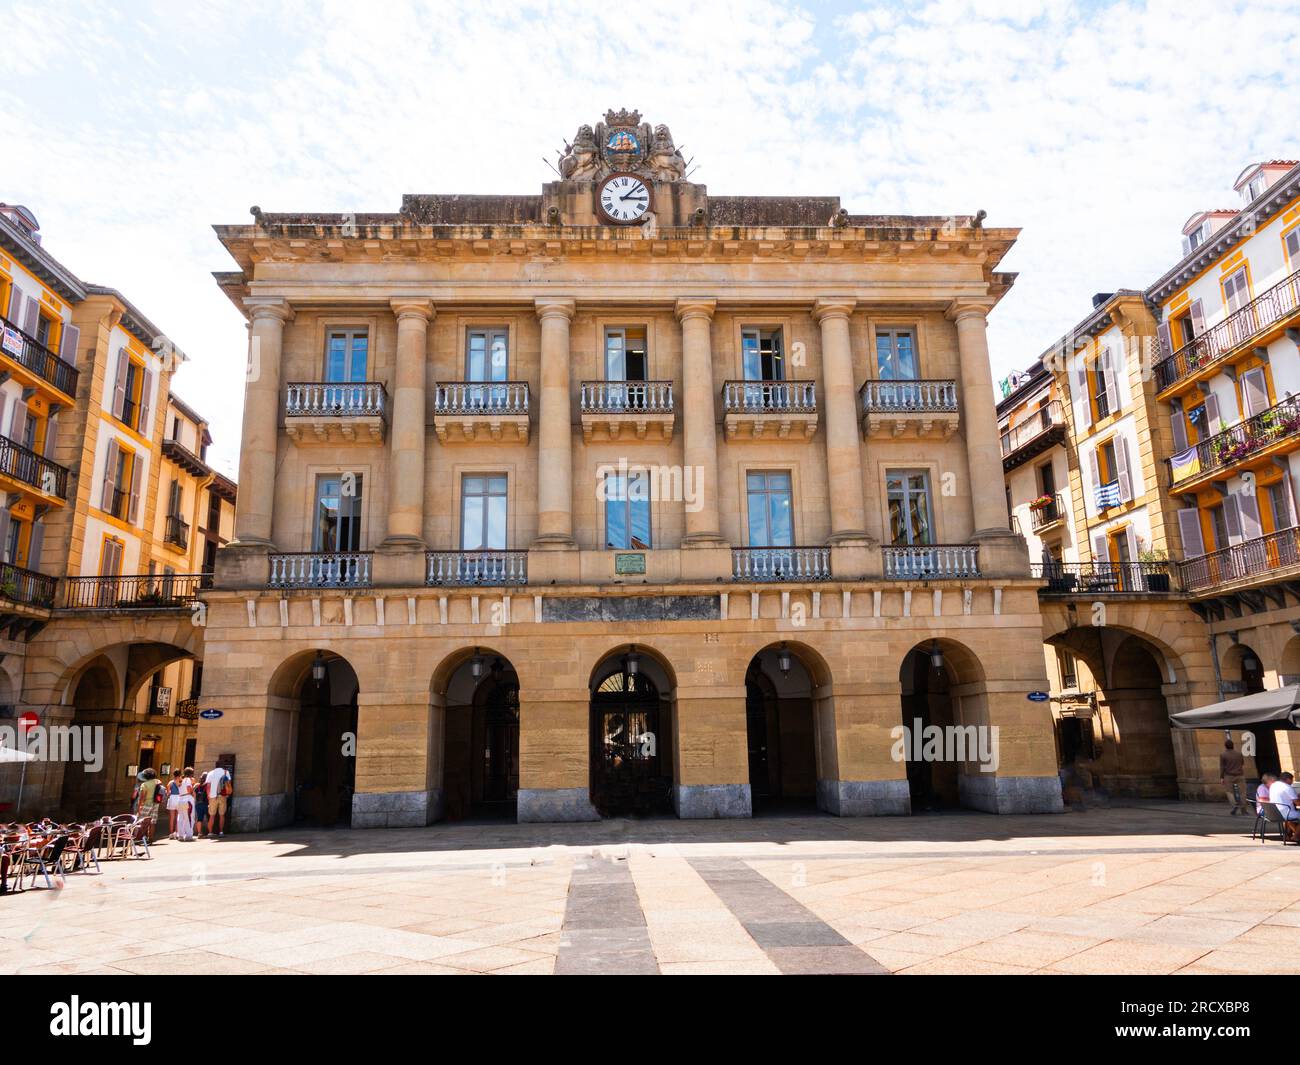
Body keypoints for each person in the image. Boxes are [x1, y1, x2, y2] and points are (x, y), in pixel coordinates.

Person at [1219, 738, 1249, 815]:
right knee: (1243, 792)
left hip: (1228, 776)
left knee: (1229, 792)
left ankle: (1235, 804)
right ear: (1233, 746)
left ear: (1225, 746)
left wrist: (1221, 777)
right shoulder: (1239, 754)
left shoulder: (1223, 755)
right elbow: (1242, 763)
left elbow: (1222, 767)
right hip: (1240, 775)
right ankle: (1244, 810)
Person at [1267, 771, 1300, 842]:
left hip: (1275, 813)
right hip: (1285, 813)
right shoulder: (1287, 787)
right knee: (1294, 815)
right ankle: (1296, 836)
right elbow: (1297, 803)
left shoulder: (1273, 785)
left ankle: (1288, 835)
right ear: (1288, 779)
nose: (1292, 782)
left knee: (1289, 817)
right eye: (1292, 780)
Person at [135, 769, 164, 842]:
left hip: (146, 804)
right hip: (155, 804)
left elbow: (142, 797)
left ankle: (139, 838)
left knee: (141, 821)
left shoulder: (144, 784)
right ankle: (150, 838)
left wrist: (139, 807)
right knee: (152, 822)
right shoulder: (157, 782)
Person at [204, 759, 230, 838]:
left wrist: (208, 796)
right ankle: (221, 832)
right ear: (223, 766)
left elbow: (208, 786)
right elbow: (228, 784)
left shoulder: (210, 773)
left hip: (212, 796)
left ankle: (210, 832)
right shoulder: (226, 772)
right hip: (222, 796)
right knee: (222, 815)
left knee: (212, 815)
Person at [175, 767, 196, 842]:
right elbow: (189, 789)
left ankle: (180, 835)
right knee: (189, 817)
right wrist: (193, 792)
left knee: (181, 817)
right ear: (191, 774)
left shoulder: (181, 780)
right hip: (187, 798)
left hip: (180, 798)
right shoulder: (188, 780)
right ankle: (188, 835)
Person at [166, 769, 183, 839]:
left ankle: (171, 833)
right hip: (179, 798)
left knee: (172, 817)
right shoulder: (181, 781)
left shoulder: (170, 782)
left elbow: (168, 793)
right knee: (178, 817)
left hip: (172, 798)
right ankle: (177, 832)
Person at [194, 772, 210, 838]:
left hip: (198, 804)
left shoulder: (197, 785)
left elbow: (194, 794)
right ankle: (210, 832)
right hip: (206, 803)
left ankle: (199, 833)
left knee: (199, 819)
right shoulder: (207, 785)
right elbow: (208, 794)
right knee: (209, 818)